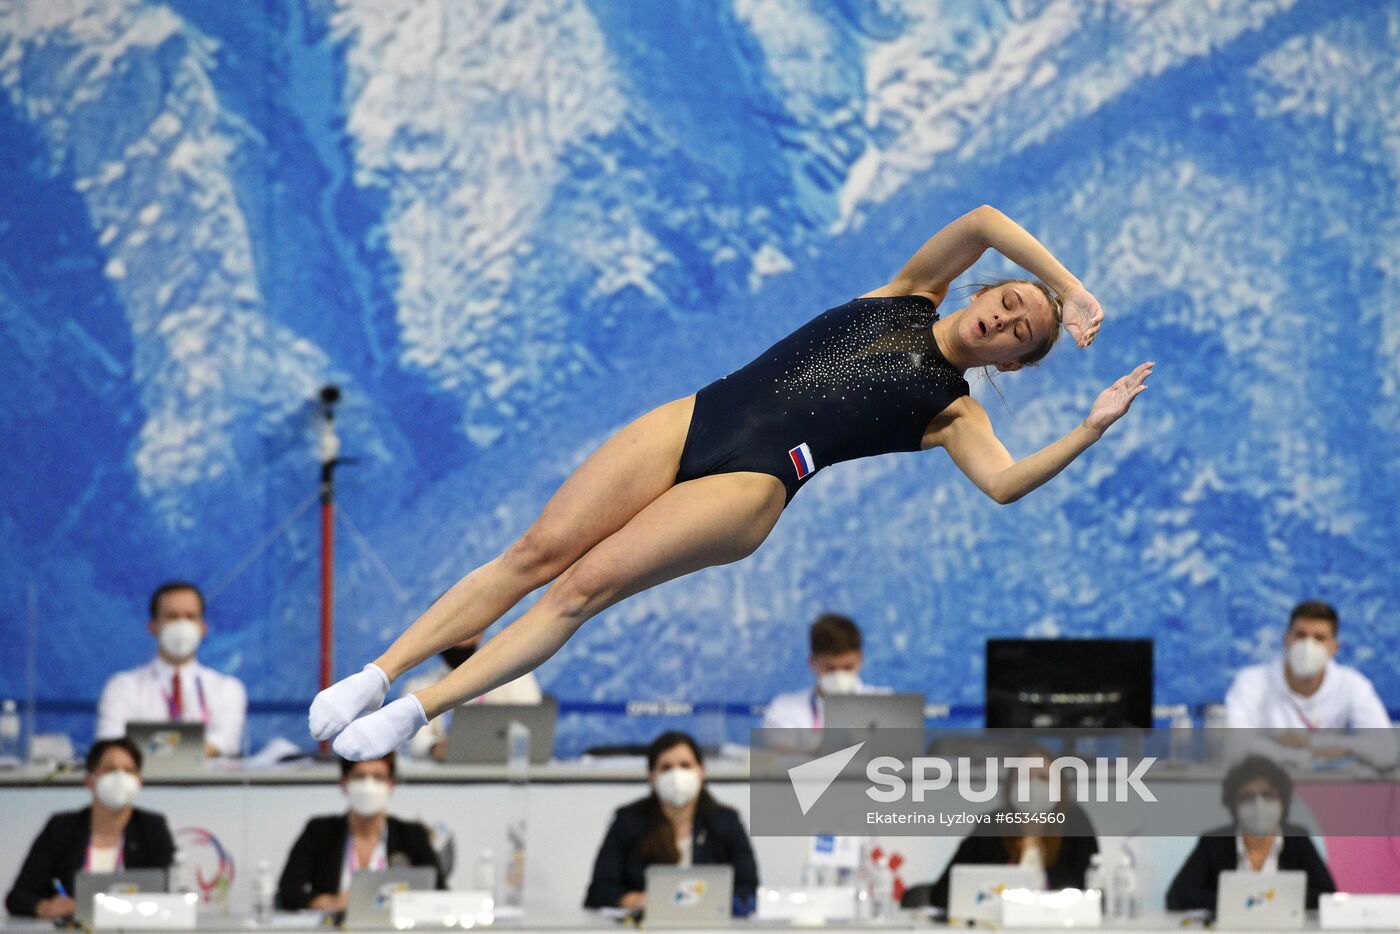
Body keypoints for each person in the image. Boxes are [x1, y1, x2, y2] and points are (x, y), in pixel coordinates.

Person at [311, 204, 1151, 760]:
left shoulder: (956, 414)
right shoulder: (906, 292)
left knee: (580, 587)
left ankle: (419, 708)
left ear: (1014, 360)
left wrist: (1087, 429)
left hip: (752, 485)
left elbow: (1003, 487)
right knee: (535, 551)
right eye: (1009, 300)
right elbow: (983, 218)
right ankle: (378, 672)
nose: (1006, 319)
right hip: (699, 416)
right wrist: (1070, 289)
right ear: (986, 286)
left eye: (1022, 333)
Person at [584, 732, 758, 913]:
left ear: (701, 771)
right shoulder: (628, 821)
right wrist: (634, 900)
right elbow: (599, 891)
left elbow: (747, 888)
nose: (677, 774)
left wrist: (715, 904)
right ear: (652, 776)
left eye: (685, 765)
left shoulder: (725, 821)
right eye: (666, 767)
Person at [901, 752, 1098, 910]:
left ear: (1060, 788)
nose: (1034, 785)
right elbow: (943, 893)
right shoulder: (990, 826)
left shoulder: (1075, 824)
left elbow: (1093, 891)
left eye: (1043, 778)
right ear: (1010, 787)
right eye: (1025, 777)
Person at [5, 738, 174, 919]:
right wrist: (44, 907)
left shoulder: (152, 828)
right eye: (110, 769)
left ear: (139, 781)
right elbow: (18, 898)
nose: (120, 778)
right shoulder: (61, 828)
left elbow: (166, 896)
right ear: (89, 780)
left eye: (129, 771)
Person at [1225, 600, 1394, 765]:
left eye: (1319, 638)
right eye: (1300, 635)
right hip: (1270, 786)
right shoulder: (1252, 682)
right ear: (1286, 639)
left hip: (1329, 788)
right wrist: (1304, 756)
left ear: (1335, 647)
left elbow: (1387, 750)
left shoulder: (1352, 685)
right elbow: (1237, 745)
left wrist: (1310, 743)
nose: (1308, 646)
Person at [275, 753, 443, 912]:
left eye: (378, 777)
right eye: (359, 776)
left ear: (391, 785)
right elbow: (288, 892)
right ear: (344, 783)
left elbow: (440, 892)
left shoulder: (411, 835)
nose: (368, 786)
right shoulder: (320, 832)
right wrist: (331, 902)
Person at [97, 581, 248, 757]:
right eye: (172, 616)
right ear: (152, 626)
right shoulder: (123, 687)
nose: (182, 625)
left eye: (190, 616)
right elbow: (110, 742)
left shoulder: (227, 688)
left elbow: (225, 742)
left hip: (208, 784)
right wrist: (190, 750)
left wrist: (150, 748)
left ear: (203, 628)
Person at [1166, 755, 1335, 911]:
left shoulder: (1297, 839)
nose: (1259, 805)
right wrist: (1237, 902)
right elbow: (1176, 896)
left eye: (1268, 795)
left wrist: (1273, 902)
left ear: (1283, 800)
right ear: (1234, 804)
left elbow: (1327, 895)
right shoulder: (1214, 841)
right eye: (1248, 797)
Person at [397, 633, 543, 760]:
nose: (458, 638)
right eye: (450, 630)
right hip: (443, 781)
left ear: (481, 633)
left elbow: (534, 729)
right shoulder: (419, 687)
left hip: (504, 777)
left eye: (465, 627)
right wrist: (434, 748)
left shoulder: (514, 677)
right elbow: (410, 741)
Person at [763, 613, 887, 730]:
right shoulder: (784, 710)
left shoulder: (885, 705)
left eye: (847, 667)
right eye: (830, 668)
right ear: (812, 663)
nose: (839, 676)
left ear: (860, 660)